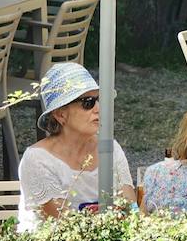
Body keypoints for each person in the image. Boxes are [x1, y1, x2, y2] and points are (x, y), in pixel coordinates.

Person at [17, 62, 134, 231]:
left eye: (98, 100)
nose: (98, 109)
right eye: (88, 102)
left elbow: (130, 209)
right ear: (60, 114)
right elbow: (65, 227)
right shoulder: (37, 160)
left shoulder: (110, 148)